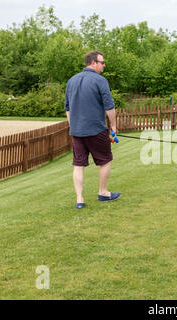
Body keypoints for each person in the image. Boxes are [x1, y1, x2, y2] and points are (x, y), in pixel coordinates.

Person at [64, 50, 120, 209]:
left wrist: (72, 125)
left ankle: (79, 199)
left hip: (77, 131)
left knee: (78, 164)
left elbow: (67, 108)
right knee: (105, 160)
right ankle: (103, 193)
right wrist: (114, 126)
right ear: (93, 63)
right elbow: (109, 107)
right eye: (102, 62)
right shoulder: (100, 81)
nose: (104, 65)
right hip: (96, 130)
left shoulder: (71, 81)